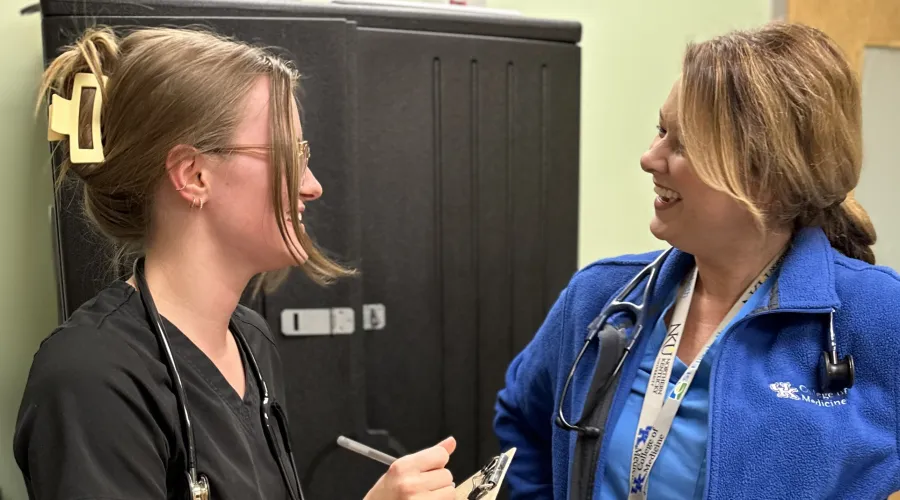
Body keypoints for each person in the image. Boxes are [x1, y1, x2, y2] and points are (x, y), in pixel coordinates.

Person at [14, 26, 457, 500]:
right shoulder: (90, 379)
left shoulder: (250, 342)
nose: (311, 186)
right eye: (289, 155)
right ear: (194, 174)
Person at [494, 22, 900, 499]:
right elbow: (523, 421)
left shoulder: (878, 313)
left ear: (768, 174)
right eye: (661, 130)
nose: (650, 158)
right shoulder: (601, 296)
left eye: (682, 145)